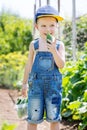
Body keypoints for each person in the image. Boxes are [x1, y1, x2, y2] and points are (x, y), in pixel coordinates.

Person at [22, 5, 65, 130]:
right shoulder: (34, 44)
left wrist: (53, 51)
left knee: (54, 118)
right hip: (36, 86)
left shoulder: (59, 45)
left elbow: (61, 65)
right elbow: (29, 64)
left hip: (53, 87)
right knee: (32, 119)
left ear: (57, 26)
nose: (48, 29)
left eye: (52, 25)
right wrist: (24, 83)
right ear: (37, 27)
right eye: (43, 26)